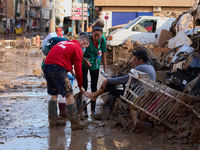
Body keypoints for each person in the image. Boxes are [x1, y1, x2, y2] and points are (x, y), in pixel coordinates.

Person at [83, 50, 156, 120]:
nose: (132, 61)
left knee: (113, 88)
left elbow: (125, 79)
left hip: (138, 97)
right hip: (142, 94)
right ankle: (95, 96)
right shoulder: (149, 66)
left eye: (134, 60)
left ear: (141, 61)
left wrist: (107, 80)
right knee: (114, 82)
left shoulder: (141, 67)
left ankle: (100, 104)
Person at [43, 35, 90, 130]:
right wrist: (81, 86)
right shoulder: (78, 49)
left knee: (54, 94)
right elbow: (78, 69)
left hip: (47, 66)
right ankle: (75, 123)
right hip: (57, 68)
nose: (84, 49)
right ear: (83, 43)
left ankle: (53, 120)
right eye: (85, 47)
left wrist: (72, 73)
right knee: (69, 94)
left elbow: (61, 57)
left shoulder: (65, 43)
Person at [81, 19, 107, 116]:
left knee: (94, 87)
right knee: (84, 86)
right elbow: (80, 53)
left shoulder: (102, 40)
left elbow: (104, 54)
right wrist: (85, 61)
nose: (96, 37)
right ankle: (83, 110)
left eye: (98, 35)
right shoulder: (86, 39)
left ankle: (93, 109)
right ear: (91, 33)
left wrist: (105, 68)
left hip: (95, 64)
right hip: (84, 63)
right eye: (95, 35)